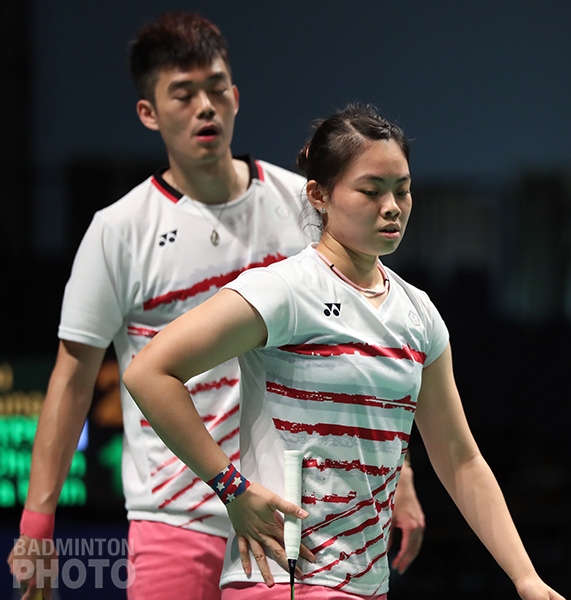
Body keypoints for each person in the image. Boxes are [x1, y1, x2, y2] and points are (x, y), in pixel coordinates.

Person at [7, 13, 423, 600]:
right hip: (174, 516)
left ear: (236, 96)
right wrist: (37, 523)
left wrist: (398, 471)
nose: (205, 106)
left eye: (216, 88)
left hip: (286, 522)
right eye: (183, 94)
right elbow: (73, 378)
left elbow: (362, 343)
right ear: (149, 112)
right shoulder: (119, 231)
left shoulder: (302, 206)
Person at [122, 103, 566, 600]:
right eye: (371, 191)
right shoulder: (284, 290)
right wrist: (232, 487)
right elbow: (149, 372)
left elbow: (461, 460)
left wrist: (525, 577)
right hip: (286, 579)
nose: (392, 206)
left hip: (368, 585)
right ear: (319, 195)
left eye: (402, 190)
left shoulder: (419, 314)